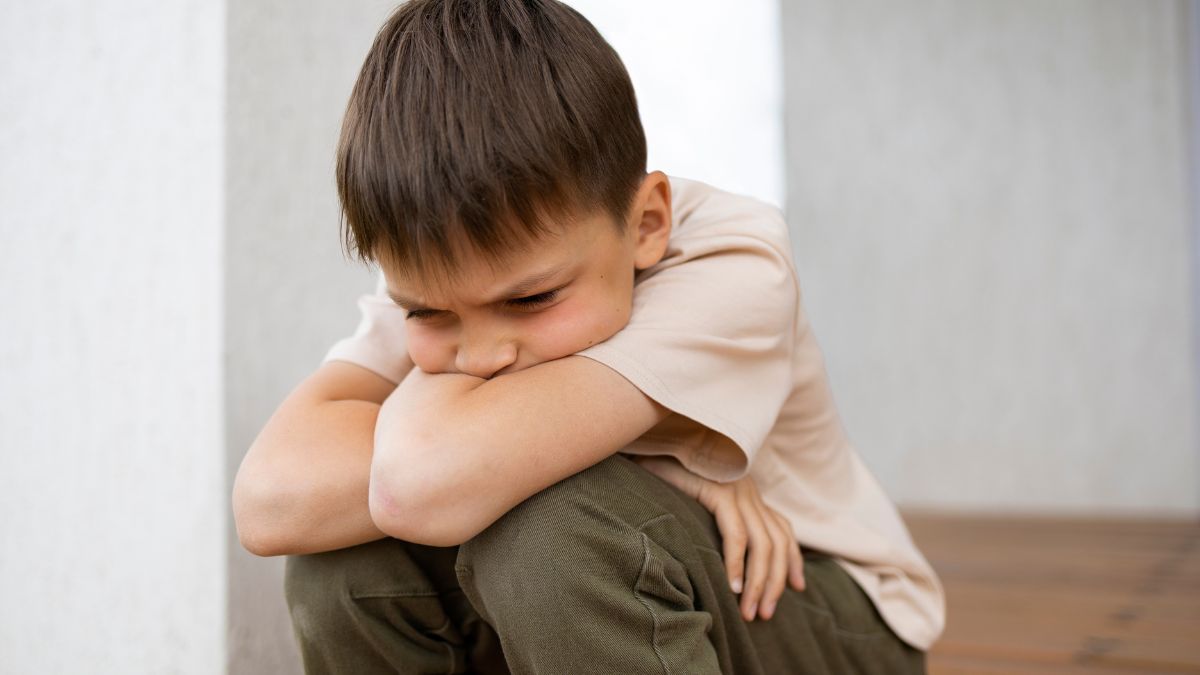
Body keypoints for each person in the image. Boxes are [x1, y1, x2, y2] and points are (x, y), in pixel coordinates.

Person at [231, 0, 945, 673]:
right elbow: (269, 501)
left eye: (533, 298)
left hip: (816, 604)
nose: (481, 355)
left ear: (646, 225)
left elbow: (418, 476)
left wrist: (469, 444)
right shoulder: (457, 275)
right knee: (341, 562)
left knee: (552, 527)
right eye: (426, 313)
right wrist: (665, 460)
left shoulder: (735, 262)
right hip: (628, 592)